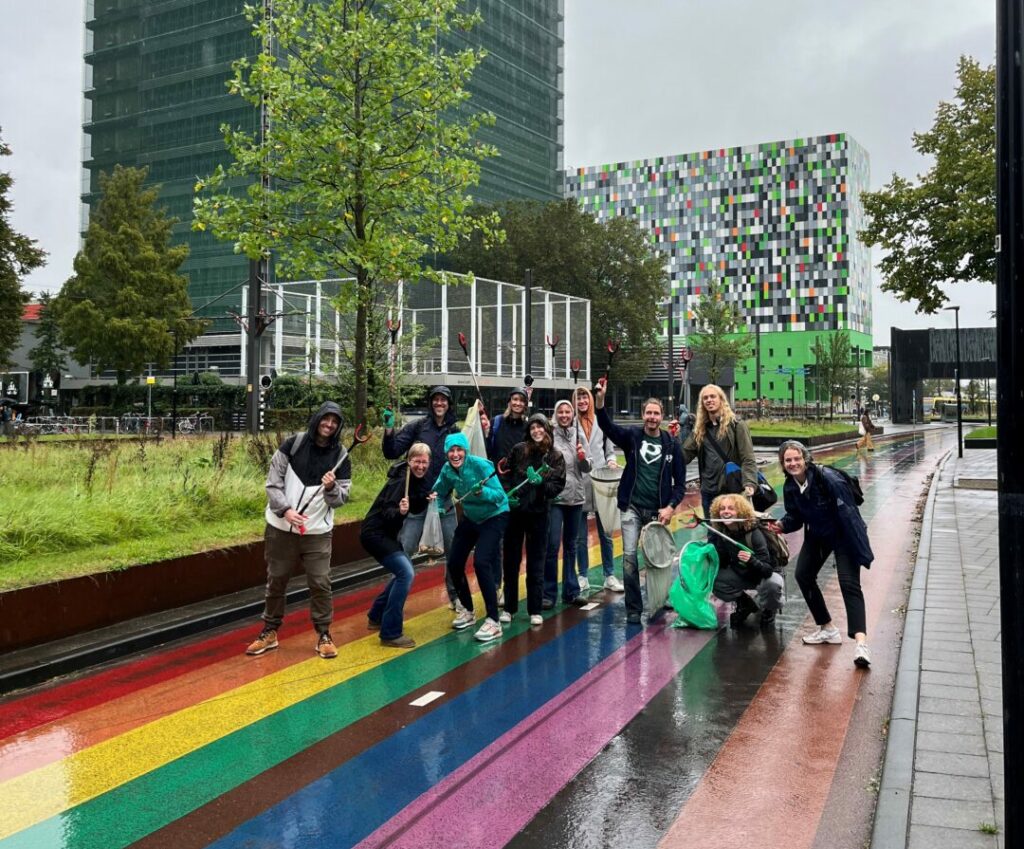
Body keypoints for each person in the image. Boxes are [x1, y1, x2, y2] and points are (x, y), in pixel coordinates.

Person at [247, 402, 352, 659]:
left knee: (320, 582)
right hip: (281, 528)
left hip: (317, 532)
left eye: (334, 421)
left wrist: (331, 488)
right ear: (317, 419)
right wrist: (285, 511)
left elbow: (341, 498)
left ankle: (324, 634)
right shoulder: (292, 445)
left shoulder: (342, 456)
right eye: (325, 419)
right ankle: (270, 631)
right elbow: (272, 484)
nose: (329, 425)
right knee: (277, 580)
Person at [770, 440, 874, 668]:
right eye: (788, 460)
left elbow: (850, 514)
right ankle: (827, 628)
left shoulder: (827, 479)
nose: (793, 463)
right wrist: (781, 525)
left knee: (849, 585)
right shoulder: (790, 486)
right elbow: (795, 517)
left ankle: (861, 644)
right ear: (782, 463)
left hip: (844, 534)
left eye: (797, 458)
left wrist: (860, 547)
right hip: (819, 535)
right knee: (803, 575)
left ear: (805, 459)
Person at [595, 383, 686, 625]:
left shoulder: (671, 444)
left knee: (657, 559)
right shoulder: (632, 437)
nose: (652, 417)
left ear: (662, 417)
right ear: (643, 414)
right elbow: (607, 426)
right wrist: (600, 401)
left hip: (658, 511)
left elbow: (680, 484)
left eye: (657, 413)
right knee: (629, 558)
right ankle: (634, 607)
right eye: (649, 413)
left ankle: (658, 598)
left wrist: (670, 507)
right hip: (632, 507)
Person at [382, 385, 460, 606]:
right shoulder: (417, 427)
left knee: (454, 552)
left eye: (443, 400)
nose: (439, 403)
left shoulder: (454, 432)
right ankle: (388, 603)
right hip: (416, 505)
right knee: (402, 554)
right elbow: (391, 451)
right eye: (435, 399)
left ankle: (455, 598)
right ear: (430, 403)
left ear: (449, 404)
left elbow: (462, 461)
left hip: (443, 503)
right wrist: (388, 430)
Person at [432, 432, 510, 642]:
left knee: (482, 561)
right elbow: (438, 492)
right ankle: (467, 609)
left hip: (495, 515)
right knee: (455, 562)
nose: (455, 454)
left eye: (459, 450)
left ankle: (494, 621)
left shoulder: (481, 466)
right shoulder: (448, 470)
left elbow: (500, 497)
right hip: (471, 517)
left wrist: (481, 493)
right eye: (451, 450)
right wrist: (437, 506)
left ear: (466, 451)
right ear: (447, 453)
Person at [361, 443, 435, 648]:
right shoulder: (401, 480)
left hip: (387, 535)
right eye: (417, 461)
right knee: (406, 574)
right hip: (375, 534)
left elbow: (414, 504)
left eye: (424, 462)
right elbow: (387, 512)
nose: (420, 466)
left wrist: (425, 499)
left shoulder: (417, 480)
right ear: (409, 461)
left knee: (404, 572)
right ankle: (390, 632)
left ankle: (376, 616)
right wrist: (400, 512)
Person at [502, 413, 566, 626]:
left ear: (547, 429)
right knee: (511, 561)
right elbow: (506, 475)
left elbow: (556, 487)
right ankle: (509, 608)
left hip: (539, 515)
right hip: (516, 513)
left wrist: (540, 484)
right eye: (533, 428)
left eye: (540, 428)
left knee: (536, 562)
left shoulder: (555, 457)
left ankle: (535, 608)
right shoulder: (519, 450)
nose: (537, 431)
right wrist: (508, 495)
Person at [702, 494, 784, 627]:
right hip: (742, 573)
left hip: (764, 575)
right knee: (713, 578)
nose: (726, 511)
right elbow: (721, 561)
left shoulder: (754, 533)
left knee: (772, 585)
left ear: (740, 512)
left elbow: (768, 570)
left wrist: (752, 560)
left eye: (731, 508)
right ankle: (745, 603)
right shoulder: (722, 532)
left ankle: (769, 609)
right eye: (722, 509)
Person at [574, 386, 624, 592]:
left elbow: (610, 451)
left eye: (585, 396)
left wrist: (611, 461)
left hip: (602, 483)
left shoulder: (601, 422)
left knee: (606, 532)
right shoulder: (571, 423)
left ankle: (609, 575)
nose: (582, 401)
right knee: (580, 535)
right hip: (579, 482)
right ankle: (583, 575)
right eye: (578, 397)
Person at [682, 384, 757, 520]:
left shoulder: (737, 425)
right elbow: (683, 457)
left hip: (731, 489)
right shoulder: (700, 429)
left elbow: (748, 457)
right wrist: (677, 437)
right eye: (705, 398)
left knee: (734, 533)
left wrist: (750, 482)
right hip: (708, 491)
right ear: (702, 403)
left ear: (721, 399)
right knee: (713, 535)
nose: (709, 400)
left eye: (713, 396)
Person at [543, 399, 589, 607]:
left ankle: (571, 590)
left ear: (572, 415)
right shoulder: (550, 437)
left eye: (567, 412)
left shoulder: (579, 435)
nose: (564, 415)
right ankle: (548, 593)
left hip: (575, 498)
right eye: (560, 412)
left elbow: (588, 467)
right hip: (556, 498)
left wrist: (582, 458)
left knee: (571, 545)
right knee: (552, 545)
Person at [488, 388, 530, 469]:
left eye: (521, 400)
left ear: (525, 404)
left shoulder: (528, 427)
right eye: (515, 399)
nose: (518, 403)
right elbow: (488, 448)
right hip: (496, 474)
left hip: (518, 475)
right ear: (509, 402)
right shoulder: (496, 422)